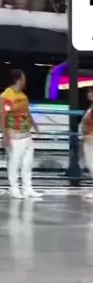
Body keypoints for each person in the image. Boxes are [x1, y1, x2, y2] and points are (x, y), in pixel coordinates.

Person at [1, 69, 42, 199]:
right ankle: (14, 188)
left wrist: (34, 125)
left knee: (27, 162)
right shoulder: (6, 96)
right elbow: (3, 116)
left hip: (26, 134)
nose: (25, 81)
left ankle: (27, 188)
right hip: (14, 134)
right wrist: (5, 135)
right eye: (24, 78)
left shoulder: (23, 96)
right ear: (18, 79)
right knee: (14, 162)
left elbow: (27, 112)